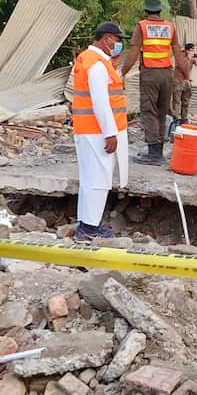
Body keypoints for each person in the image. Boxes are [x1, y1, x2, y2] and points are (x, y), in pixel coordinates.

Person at [72, 22, 129, 242]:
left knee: (89, 178)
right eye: (117, 40)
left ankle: (86, 224)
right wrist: (110, 133)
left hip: (87, 129)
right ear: (106, 39)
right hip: (97, 131)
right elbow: (101, 103)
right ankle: (89, 228)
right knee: (98, 179)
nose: (119, 45)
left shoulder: (88, 59)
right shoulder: (96, 65)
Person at [120, 0, 188, 164]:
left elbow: (134, 53)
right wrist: (186, 73)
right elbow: (178, 53)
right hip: (167, 74)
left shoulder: (142, 26)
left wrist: (122, 73)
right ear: (159, 10)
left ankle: (154, 153)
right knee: (162, 111)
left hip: (150, 74)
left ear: (146, 10)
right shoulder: (170, 27)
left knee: (149, 111)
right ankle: (158, 151)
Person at [170, 42, 197, 127]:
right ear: (187, 50)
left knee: (186, 102)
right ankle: (175, 119)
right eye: (191, 50)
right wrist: (188, 58)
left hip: (186, 82)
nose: (192, 52)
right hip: (178, 81)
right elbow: (181, 67)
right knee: (176, 101)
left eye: (193, 50)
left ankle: (184, 119)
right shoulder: (180, 57)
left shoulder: (191, 58)